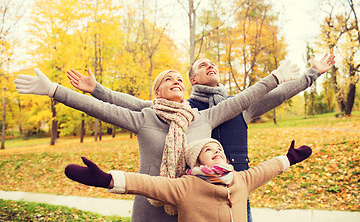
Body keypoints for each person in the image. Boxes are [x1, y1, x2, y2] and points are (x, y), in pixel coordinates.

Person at [14, 63, 298, 222]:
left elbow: (244, 98)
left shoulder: (203, 118)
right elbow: (97, 109)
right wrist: (53, 89)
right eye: (168, 79)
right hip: (151, 208)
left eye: (179, 79)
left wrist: (275, 78)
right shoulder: (145, 118)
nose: (176, 81)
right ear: (157, 91)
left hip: (196, 211)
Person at [67, 54, 335, 221]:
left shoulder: (240, 105)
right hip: (191, 197)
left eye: (213, 64)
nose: (211, 66)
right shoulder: (184, 111)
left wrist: (313, 74)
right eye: (203, 65)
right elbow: (135, 104)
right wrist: (97, 90)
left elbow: (280, 93)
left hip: (235, 191)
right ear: (192, 79)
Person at [64, 138, 312, 222]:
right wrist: (105, 179)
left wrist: (289, 158)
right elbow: (147, 184)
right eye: (209, 150)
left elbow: (267, 169)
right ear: (197, 163)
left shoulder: (240, 180)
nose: (217, 151)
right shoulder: (186, 186)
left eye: (219, 148)